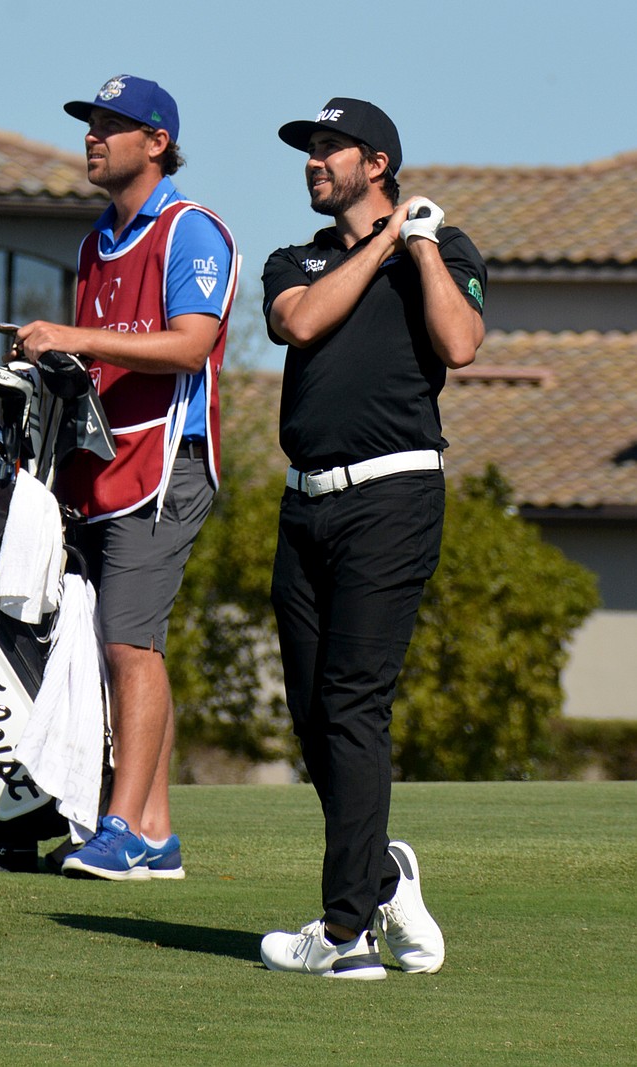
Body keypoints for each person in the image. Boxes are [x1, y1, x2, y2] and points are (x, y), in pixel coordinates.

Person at [259, 97, 486, 978]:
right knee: (317, 718)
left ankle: (346, 928)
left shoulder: (444, 248)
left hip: (392, 497)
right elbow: (300, 321)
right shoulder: (298, 258)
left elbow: (460, 344)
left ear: (377, 162)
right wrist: (383, 243)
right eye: (309, 149)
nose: (314, 161)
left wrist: (421, 245)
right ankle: (385, 875)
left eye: (329, 147)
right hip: (303, 503)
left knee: (354, 704)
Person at [17, 74, 237, 881]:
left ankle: (122, 826)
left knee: (127, 642)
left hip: (167, 465)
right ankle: (155, 831)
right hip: (105, 467)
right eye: (90, 123)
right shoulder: (94, 242)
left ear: (157, 143)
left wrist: (79, 334)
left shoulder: (191, 230)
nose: (92, 136)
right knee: (134, 644)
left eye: (112, 124)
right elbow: (106, 357)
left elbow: (189, 345)